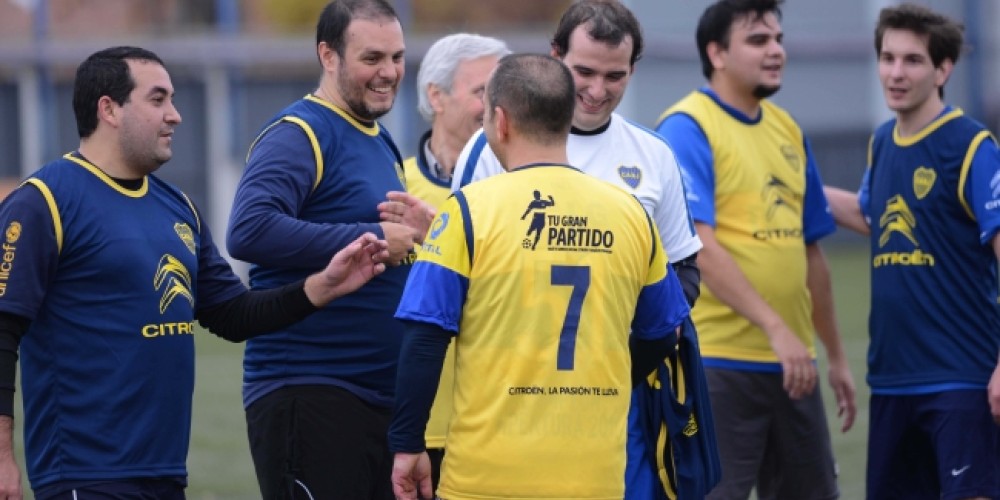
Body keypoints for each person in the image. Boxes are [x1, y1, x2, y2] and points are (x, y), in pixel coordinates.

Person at [0, 46, 391, 500]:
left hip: (165, 472)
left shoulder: (176, 205)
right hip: (84, 475)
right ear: (108, 108)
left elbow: (231, 313)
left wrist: (320, 288)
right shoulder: (44, 201)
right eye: (158, 99)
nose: (176, 115)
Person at [387, 52, 690, 500]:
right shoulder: (630, 214)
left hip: (487, 478)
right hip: (597, 478)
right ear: (566, 118)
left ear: (501, 121)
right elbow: (665, 333)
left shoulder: (469, 210)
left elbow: (425, 338)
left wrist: (407, 443)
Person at [450, 3, 714, 497]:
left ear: (634, 69)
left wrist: (621, 361)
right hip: (509, 393)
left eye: (615, 75)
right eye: (584, 71)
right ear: (555, 56)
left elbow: (685, 272)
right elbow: (457, 274)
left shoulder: (653, 155)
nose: (597, 90)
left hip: (621, 397)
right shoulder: (488, 148)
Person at [224, 1, 432, 498]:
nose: (389, 73)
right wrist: (376, 238)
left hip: (377, 399)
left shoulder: (377, 139)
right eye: (372, 58)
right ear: (329, 55)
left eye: (398, 57)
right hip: (312, 392)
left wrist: (427, 234)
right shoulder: (300, 133)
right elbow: (248, 230)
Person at [654, 0, 857, 498]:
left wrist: (833, 356)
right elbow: (698, 243)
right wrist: (776, 328)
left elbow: (810, 253)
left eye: (779, 40)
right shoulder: (686, 126)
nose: (777, 52)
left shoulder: (787, 129)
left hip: (795, 368)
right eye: (759, 40)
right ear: (717, 53)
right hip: (721, 366)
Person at [823, 4, 1000, 498]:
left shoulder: (971, 147)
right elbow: (874, 217)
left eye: (913, 60)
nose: (896, 73)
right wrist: (791, 187)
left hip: (960, 378)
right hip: (893, 378)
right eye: (888, 58)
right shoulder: (882, 142)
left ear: (943, 69)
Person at [402, 33, 508, 489]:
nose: (497, 105)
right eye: (483, 91)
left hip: (498, 427)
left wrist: (439, 241)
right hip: (415, 427)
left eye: (502, 92)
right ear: (436, 96)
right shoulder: (394, 184)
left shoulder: (520, 190)